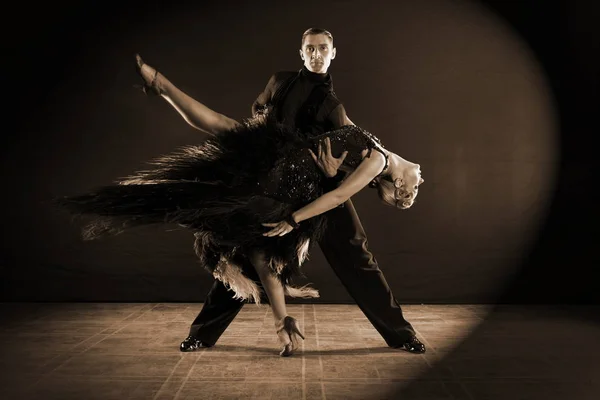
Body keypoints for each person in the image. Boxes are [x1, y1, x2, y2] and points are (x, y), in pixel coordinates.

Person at [131, 28, 427, 356]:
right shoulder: (280, 82)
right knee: (247, 250)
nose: (317, 54)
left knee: (356, 258)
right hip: (278, 175)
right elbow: (261, 113)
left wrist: (333, 173)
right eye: (311, 49)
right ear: (302, 53)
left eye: (323, 49)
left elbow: (352, 151)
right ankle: (203, 333)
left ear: (333, 53)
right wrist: (265, 139)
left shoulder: (332, 105)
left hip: (319, 188)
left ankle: (401, 334)